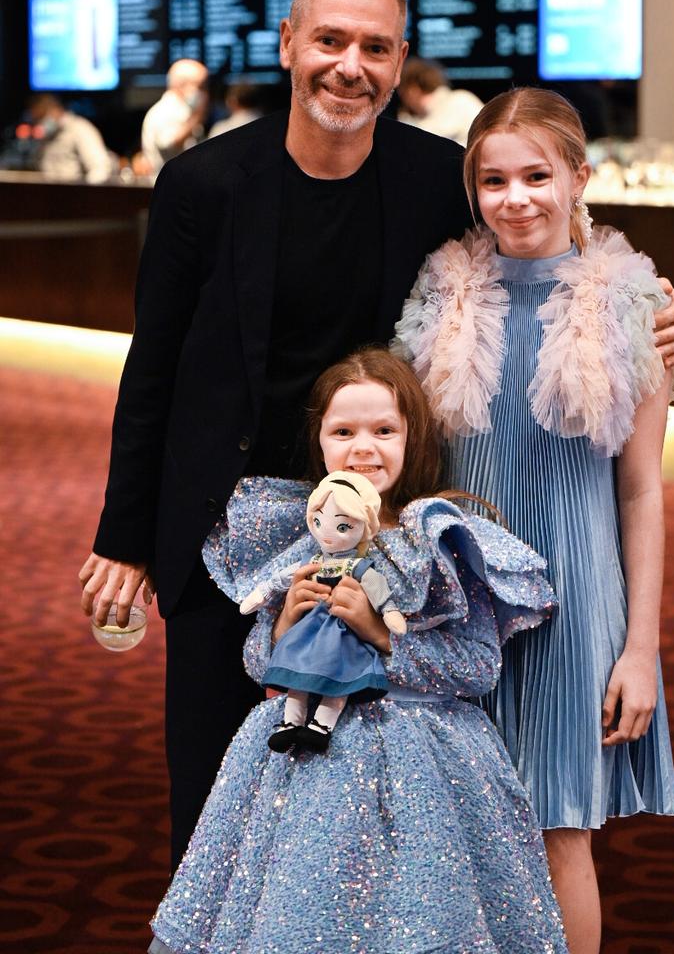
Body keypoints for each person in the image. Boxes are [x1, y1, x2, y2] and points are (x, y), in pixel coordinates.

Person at [78, 0, 674, 874]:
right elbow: (152, 368)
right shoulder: (201, 187)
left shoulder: (431, 178)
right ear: (289, 43)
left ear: (399, 62)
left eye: (374, 47)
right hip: (223, 533)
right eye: (329, 39)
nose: (349, 66)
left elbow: (542, 233)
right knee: (215, 797)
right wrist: (124, 534)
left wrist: (654, 304)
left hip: (382, 545)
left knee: (351, 812)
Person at [393, 86, 674, 954]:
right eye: (493, 180)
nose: (515, 198)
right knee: (457, 834)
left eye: (536, 175)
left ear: (579, 177)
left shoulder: (636, 307)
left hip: (575, 608)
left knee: (561, 836)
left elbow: (641, 492)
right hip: (462, 602)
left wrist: (641, 650)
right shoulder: (442, 295)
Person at [148, 347, 566, 954]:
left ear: (412, 440)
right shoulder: (305, 540)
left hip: (424, 761)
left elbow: (478, 665)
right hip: (306, 763)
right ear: (319, 443)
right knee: (302, 911)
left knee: (413, 915)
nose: (363, 447)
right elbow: (262, 667)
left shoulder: (437, 538)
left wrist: (381, 636)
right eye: (343, 431)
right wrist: (283, 629)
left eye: (384, 430)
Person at [245, 470, 405, 754]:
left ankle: (321, 725)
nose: (329, 534)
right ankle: (291, 722)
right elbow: (280, 580)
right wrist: (265, 596)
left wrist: (386, 614)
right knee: (297, 672)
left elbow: (376, 586)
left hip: (342, 635)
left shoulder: (360, 565)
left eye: (342, 526)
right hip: (310, 631)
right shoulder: (313, 560)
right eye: (318, 522)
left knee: (341, 675)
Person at [141, 59, 209, 175]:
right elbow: (169, 144)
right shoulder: (163, 111)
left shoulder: (184, 110)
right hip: (168, 187)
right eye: (201, 86)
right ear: (181, 84)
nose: (204, 92)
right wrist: (197, 117)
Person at [26, 93, 113, 183]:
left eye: (42, 117)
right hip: (48, 193)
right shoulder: (46, 135)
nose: (40, 123)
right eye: (36, 119)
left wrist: (84, 193)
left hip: (73, 193)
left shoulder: (79, 128)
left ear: (55, 110)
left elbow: (100, 168)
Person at [397, 57, 483, 146]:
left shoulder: (462, 101)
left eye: (402, 91)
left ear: (412, 90)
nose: (402, 99)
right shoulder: (408, 119)